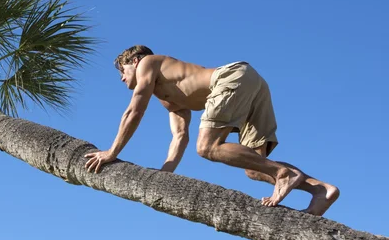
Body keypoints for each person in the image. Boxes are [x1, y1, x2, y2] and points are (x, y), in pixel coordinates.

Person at [84, 45, 339, 216]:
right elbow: (179, 136)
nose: (121, 78)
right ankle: (320, 190)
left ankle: (283, 173)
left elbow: (134, 112)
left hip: (231, 77)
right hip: (252, 84)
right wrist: (165, 175)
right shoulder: (168, 97)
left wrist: (111, 152)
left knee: (207, 148)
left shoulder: (148, 63)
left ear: (135, 61)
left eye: (122, 70)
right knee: (253, 168)